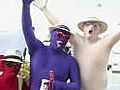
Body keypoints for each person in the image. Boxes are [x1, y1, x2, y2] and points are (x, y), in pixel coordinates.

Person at [33, 1, 120, 90]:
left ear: (100, 30)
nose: (91, 27)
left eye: (95, 25)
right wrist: (44, 9)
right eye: (88, 24)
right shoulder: (77, 40)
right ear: (83, 28)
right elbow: (58, 24)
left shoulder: (106, 42)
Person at [21, 0, 81, 90]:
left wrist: (56, 85)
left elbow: (76, 86)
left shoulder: (71, 61)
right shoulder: (37, 48)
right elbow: (27, 29)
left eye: (66, 37)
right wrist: (26, 6)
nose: (62, 38)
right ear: (52, 34)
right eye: (59, 35)